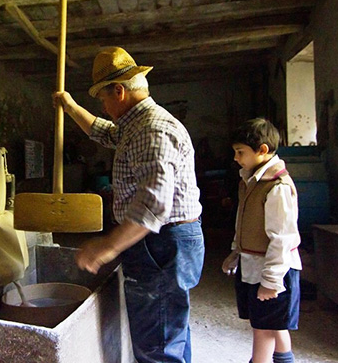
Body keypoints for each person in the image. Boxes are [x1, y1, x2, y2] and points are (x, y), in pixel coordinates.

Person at [53, 46, 204, 363]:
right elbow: (105, 132)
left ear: (118, 91)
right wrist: (70, 107)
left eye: (103, 99)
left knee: (157, 344)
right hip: (161, 240)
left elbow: (153, 205)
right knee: (168, 329)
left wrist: (108, 246)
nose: (104, 107)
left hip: (161, 243)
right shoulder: (135, 125)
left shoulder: (151, 130)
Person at [222, 118, 302, 363]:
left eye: (240, 152)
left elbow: (282, 239)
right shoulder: (250, 180)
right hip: (253, 265)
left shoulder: (276, 186)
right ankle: (284, 359)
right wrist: (235, 252)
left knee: (263, 327)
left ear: (263, 150)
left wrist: (271, 280)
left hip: (274, 269)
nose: (236, 158)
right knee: (274, 323)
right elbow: (243, 221)